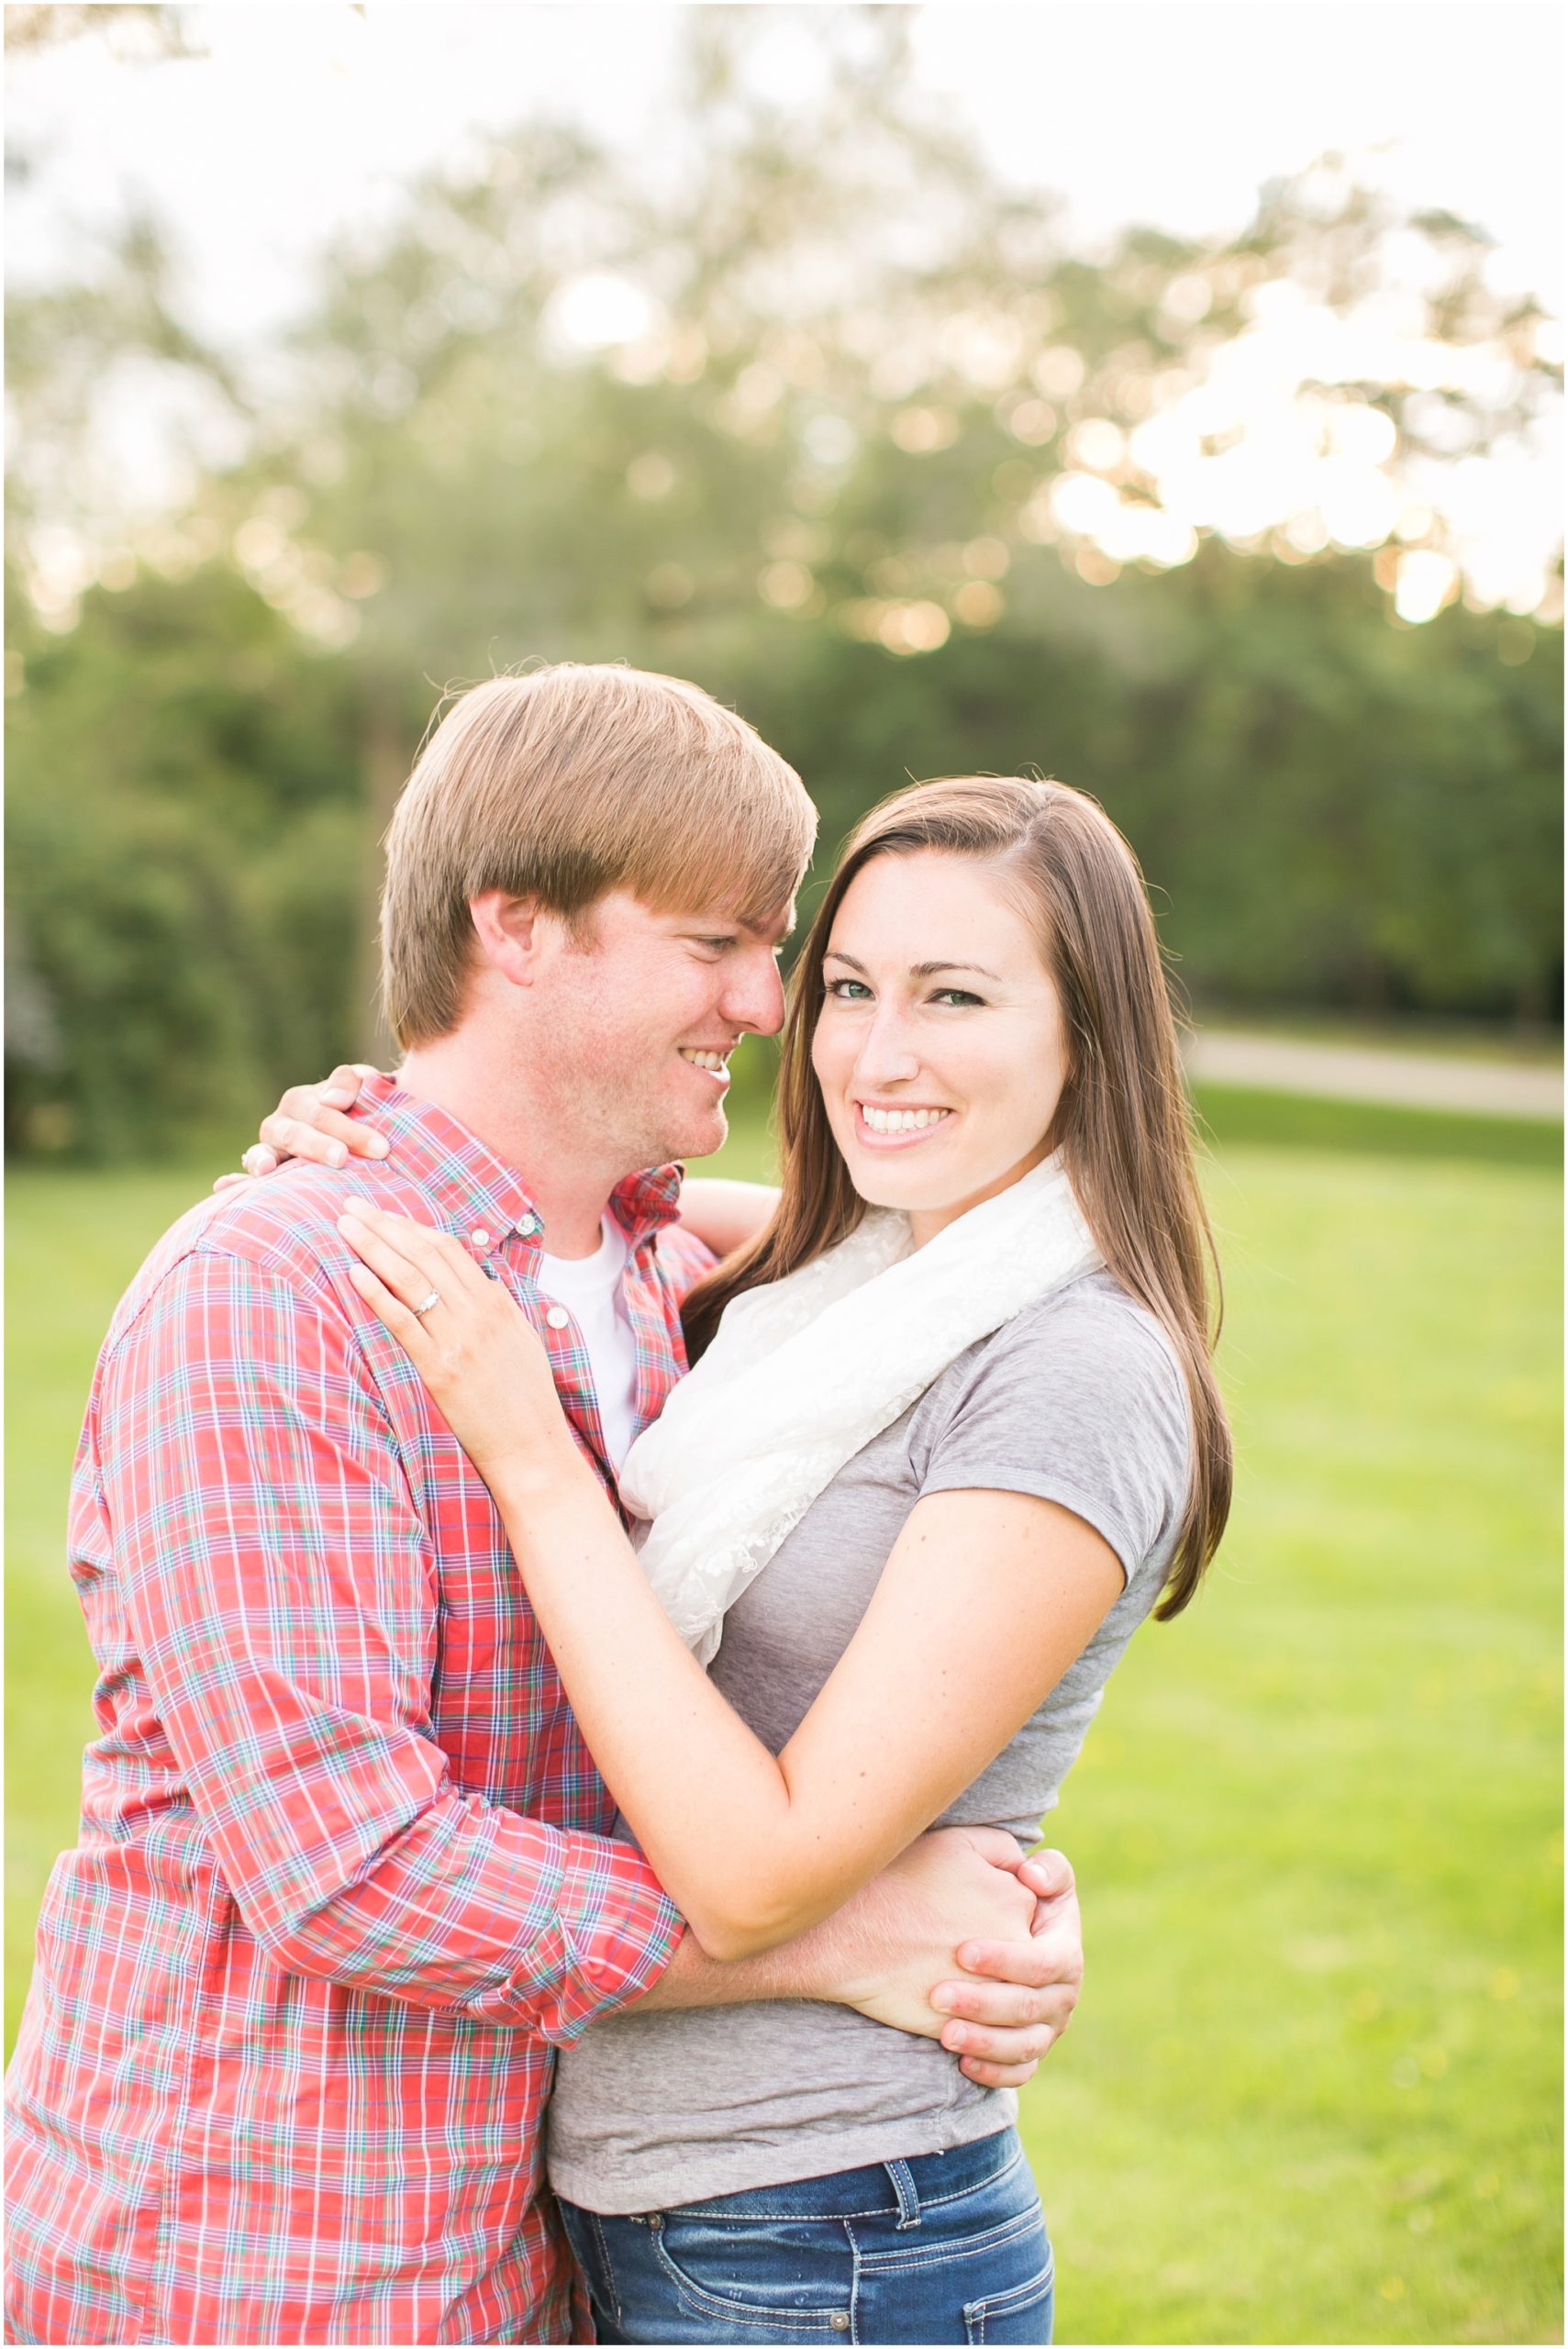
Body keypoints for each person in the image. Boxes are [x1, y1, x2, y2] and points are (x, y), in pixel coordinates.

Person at [3, 670, 1085, 2349]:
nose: (765, 999)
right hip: (251, 2256)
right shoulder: (275, 1293)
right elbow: (355, 1869)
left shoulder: (673, 1277)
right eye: (716, 942)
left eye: (773, 944)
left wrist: (984, 1900)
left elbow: (955, 1221)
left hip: (535, 2250)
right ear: (516, 925)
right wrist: (837, 1938)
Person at [239, 769, 1233, 2345]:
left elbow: (761, 1868)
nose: (873, 1052)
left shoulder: (1073, 1369)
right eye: (848, 988)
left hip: (826, 2228)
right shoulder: (851, 1288)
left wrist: (532, 1459)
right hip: (653, 2205)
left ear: (1088, 1031)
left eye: (953, 995)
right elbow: (559, 1202)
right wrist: (360, 1137)